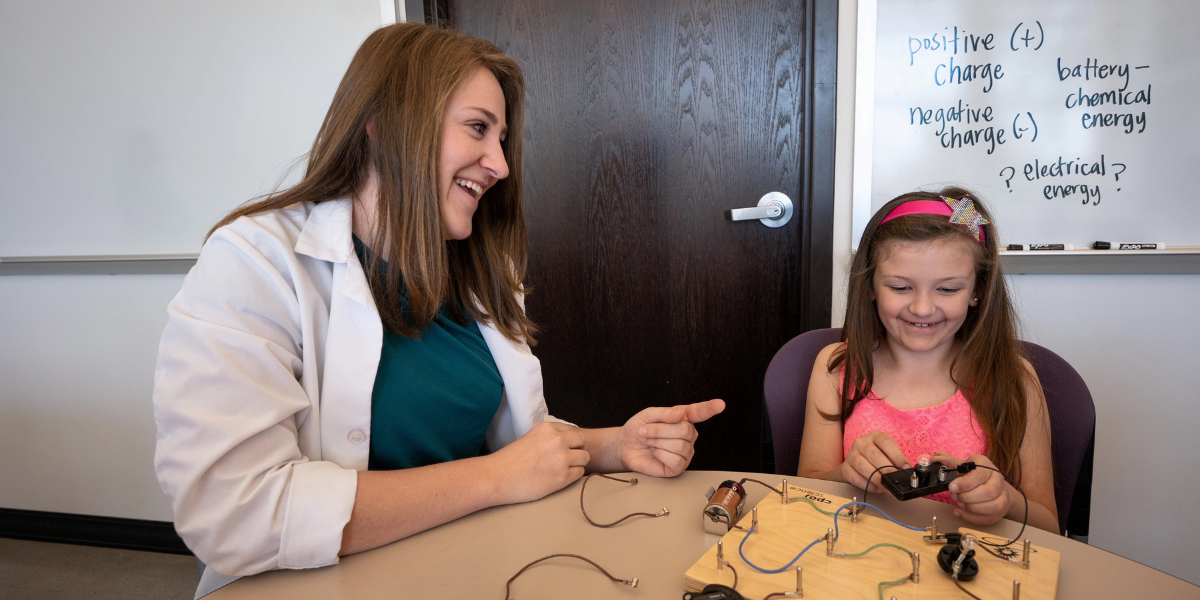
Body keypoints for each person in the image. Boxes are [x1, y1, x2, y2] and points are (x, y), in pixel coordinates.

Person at [152, 22, 725, 587]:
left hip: (474, 558)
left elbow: (518, 441)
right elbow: (234, 511)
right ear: (384, 125)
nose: (499, 165)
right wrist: (494, 480)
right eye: (478, 128)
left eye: (500, 139)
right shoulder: (254, 263)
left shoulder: (480, 272)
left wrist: (617, 445)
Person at [796, 189, 1058, 533]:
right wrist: (846, 474)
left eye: (947, 290)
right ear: (871, 285)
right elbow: (802, 492)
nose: (922, 309)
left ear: (977, 290)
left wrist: (1005, 499)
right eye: (901, 288)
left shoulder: (1014, 379)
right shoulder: (836, 368)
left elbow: (1050, 527)